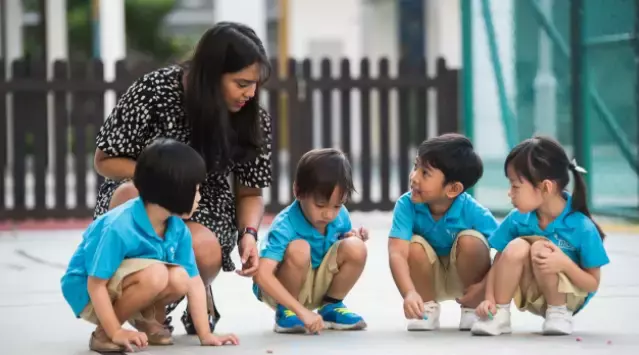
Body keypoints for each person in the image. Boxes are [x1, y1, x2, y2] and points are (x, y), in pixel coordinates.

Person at [91, 22, 273, 333]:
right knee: (128, 199)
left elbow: (250, 193)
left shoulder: (251, 116)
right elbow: (105, 159)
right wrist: (161, 177)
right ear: (210, 73)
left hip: (205, 201)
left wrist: (250, 235)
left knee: (202, 248)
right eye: (241, 83)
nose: (251, 93)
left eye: (255, 84)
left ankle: (176, 297)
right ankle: (146, 305)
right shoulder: (154, 90)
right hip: (144, 189)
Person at [61, 138, 239, 353]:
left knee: (180, 276)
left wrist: (206, 335)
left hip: (124, 283)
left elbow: (193, 282)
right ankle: (105, 333)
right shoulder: (120, 226)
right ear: (171, 191)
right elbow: (95, 284)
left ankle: (148, 320)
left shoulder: (177, 227)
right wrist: (116, 331)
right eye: (196, 189)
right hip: (88, 292)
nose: (200, 197)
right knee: (156, 274)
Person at [471, 136, 609, 336]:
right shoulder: (517, 219)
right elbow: (500, 260)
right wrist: (489, 299)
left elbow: (592, 283)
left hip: (570, 296)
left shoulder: (582, 227)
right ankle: (499, 315)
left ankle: (559, 313)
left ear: (546, 187)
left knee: (540, 248)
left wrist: (564, 264)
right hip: (534, 291)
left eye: (516, 186)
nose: (510, 193)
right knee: (516, 246)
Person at [388, 133, 499, 331]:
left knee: (471, 241)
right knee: (412, 246)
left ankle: (471, 310)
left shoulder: (474, 212)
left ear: (453, 189)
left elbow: (506, 253)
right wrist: (409, 293)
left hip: (468, 286)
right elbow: (397, 252)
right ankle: (426, 307)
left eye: (425, 173)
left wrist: (483, 289)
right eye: (416, 167)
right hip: (428, 280)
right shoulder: (406, 205)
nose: (414, 177)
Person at [252, 148, 368, 334]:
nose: (329, 214)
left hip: (316, 283)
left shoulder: (340, 217)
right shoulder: (284, 225)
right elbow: (262, 275)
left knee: (356, 247)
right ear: (298, 191)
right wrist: (301, 311)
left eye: (337, 205)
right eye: (320, 205)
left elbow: (340, 245)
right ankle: (287, 312)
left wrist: (352, 236)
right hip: (281, 289)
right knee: (300, 248)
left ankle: (331, 306)